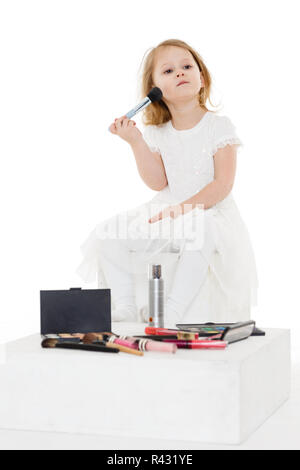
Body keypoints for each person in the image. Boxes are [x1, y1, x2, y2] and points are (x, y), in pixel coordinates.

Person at [76, 38, 259, 327]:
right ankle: (125, 306)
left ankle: (172, 311)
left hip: (209, 211)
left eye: (187, 66)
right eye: (169, 71)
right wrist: (136, 141)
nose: (180, 73)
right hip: (169, 207)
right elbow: (158, 181)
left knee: (202, 228)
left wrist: (183, 209)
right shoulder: (158, 133)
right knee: (108, 233)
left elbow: (222, 185)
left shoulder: (218, 127)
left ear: (202, 78)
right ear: (155, 90)